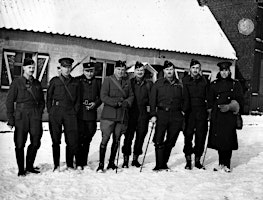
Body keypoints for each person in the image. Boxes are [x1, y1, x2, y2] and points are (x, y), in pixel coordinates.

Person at [6, 58, 45, 176]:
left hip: (34, 115)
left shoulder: (37, 83)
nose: (32, 70)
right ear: (23, 68)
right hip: (21, 116)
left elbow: (42, 101)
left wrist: (39, 112)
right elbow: (9, 101)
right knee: (19, 143)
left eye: (33, 67)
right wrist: (11, 119)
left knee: (36, 141)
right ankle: (21, 169)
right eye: (29, 67)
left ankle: (29, 166)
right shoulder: (16, 83)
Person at [97, 60, 134, 172]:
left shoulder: (127, 82)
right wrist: (115, 102)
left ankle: (112, 162)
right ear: (115, 69)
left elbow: (131, 95)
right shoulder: (108, 80)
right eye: (118, 69)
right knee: (105, 139)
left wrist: (127, 102)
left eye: (123, 70)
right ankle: (101, 164)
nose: (120, 72)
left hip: (121, 116)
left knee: (117, 140)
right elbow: (103, 96)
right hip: (108, 116)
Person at [207, 61, 244, 173]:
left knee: (228, 141)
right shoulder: (214, 84)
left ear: (229, 71)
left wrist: (230, 106)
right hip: (218, 116)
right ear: (220, 71)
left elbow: (240, 100)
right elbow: (210, 100)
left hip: (229, 117)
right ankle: (221, 163)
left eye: (226, 70)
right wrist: (210, 113)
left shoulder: (235, 84)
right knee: (219, 141)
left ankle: (227, 164)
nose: (224, 73)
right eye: (222, 70)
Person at [46, 57, 81, 171]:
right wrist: (50, 110)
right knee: (56, 140)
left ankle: (70, 164)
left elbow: (78, 99)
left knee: (71, 140)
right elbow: (49, 97)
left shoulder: (75, 82)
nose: (67, 69)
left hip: (70, 113)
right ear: (60, 68)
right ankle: (56, 165)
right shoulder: (55, 81)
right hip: (56, 111)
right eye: (64, 67)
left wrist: (74, 111)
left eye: (69, 67)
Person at [149, 60, 184, 171]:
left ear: (174, 70)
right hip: (162, 114)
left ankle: (164, 162)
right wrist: (153, 114)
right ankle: (159, 165)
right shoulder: (158, 84)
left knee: (171, 140)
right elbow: (152, 101)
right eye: (167, 69)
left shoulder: (180, 84)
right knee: (159, 139)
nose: (169, 71)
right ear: (164, 71)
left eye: (171, 69)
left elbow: (185, 99)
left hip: (176, 115)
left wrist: (183, 111)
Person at [121, 61, 153, 168]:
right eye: (138, 70)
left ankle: (135, 159)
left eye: (142, 70)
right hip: (131, 113)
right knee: (128, 137)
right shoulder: (129, 82)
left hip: (143, 114)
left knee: (141, 136)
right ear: (134, 71)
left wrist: (151, 112)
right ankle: (126, 159)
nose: (140, 72)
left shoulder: (148, 84)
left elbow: (152, 100)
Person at [182, 59, 209, 170]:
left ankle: (197, 160)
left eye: (197, 68)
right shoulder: (185, 80)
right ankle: (188, 160)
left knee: (200, 136)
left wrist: (208, 110)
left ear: (200, 69)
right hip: (189, 112)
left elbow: (208, 97)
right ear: (190, 69)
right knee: (188, 136)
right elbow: (183, 97)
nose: (195, 70)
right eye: (193, 68)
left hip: (201, 112)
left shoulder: (205, 81)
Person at [76, 62, 102, 169]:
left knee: (88, 137)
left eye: (91, 71)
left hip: (91, 113)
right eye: (87, 71)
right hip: (80, 113)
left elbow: (101, 97)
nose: (89, 74)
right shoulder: (78, 81)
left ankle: (84, 161)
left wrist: (95, 104)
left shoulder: (97, 82)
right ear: (83, 71)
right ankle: (78, 162)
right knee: (79, 138)